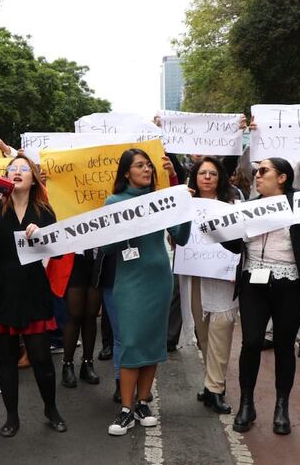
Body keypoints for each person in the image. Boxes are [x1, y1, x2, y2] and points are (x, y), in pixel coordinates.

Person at [222, 157, 300, 435]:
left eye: (264, 171)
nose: (257, 176)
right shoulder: (247, 207)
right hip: (253, 281)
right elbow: (235, 246)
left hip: (291, 283)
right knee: (252, 342)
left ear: (282, 178)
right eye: (256, 171)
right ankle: (247, 403)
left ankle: (282, 406)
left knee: (284, 344)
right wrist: (218, 231)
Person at [0, 154, 66, 437]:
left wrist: (41, 236)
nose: (16, 171)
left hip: (32, 290)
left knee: (41, 358)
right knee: (6, 359)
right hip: (0, 290)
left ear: (33, 178)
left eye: (23, 168)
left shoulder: (44, 211)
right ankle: (11, 417)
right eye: (11, 168)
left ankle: (51, 408)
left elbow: (58, 250)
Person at [103, 148, 191, 436]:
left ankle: (143, 403)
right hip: (130, 282)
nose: (147, 170)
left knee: (153, 343)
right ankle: (126, 409)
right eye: (140, 166)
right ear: (126, 172)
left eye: (149, 165)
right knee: (130, 341)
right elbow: (105, 248)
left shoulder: (161, 201)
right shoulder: (114, 202)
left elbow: (181, 237)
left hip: (159, 280)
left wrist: (185, 209)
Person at [181, 156, 239, 414]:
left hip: (224, 277)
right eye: (202, 173)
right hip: (195, 276)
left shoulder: (233, 205)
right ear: (195, 177)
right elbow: (178, 237)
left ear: (220, 178)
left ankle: (216, 388)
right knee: (203, 334)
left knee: (221, 329)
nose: (207, 177)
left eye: (213, 174)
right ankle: (210, 383)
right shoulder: (184, 206)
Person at [59, 251, 101, 388]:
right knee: (74, 314)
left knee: (91, 314)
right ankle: (67, 364)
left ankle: (88, 363)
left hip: (97, 259)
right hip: (74, 259)